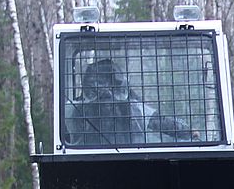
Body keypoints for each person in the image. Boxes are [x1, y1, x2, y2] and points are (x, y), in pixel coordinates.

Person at [70, 58, 198, 145]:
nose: (106, 92)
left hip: (95, 161)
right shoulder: (134, 107)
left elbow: (71, 137)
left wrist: (187, 132)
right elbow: (159, 122)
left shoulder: (79, 109)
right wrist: (188, 132)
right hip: (132, 158)